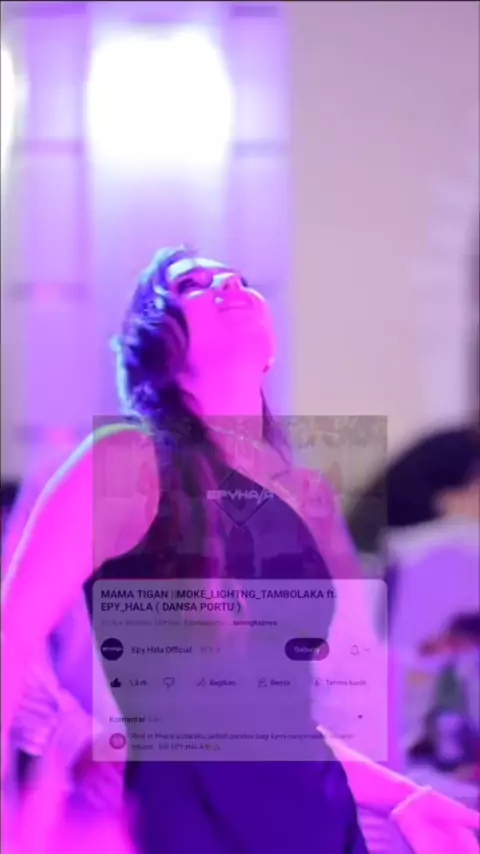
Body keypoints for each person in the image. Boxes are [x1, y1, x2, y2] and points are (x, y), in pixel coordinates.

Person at [1, 248, 478, 853]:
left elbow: (277, 728)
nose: (228, 282)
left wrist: (406, 798)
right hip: (191, 826)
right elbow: (10, 641)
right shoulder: (126, 461)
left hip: (320, 823)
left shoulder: (293, 504)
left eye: (239, 279)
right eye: (194, 285)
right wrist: (63, 746)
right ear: (157, 345)